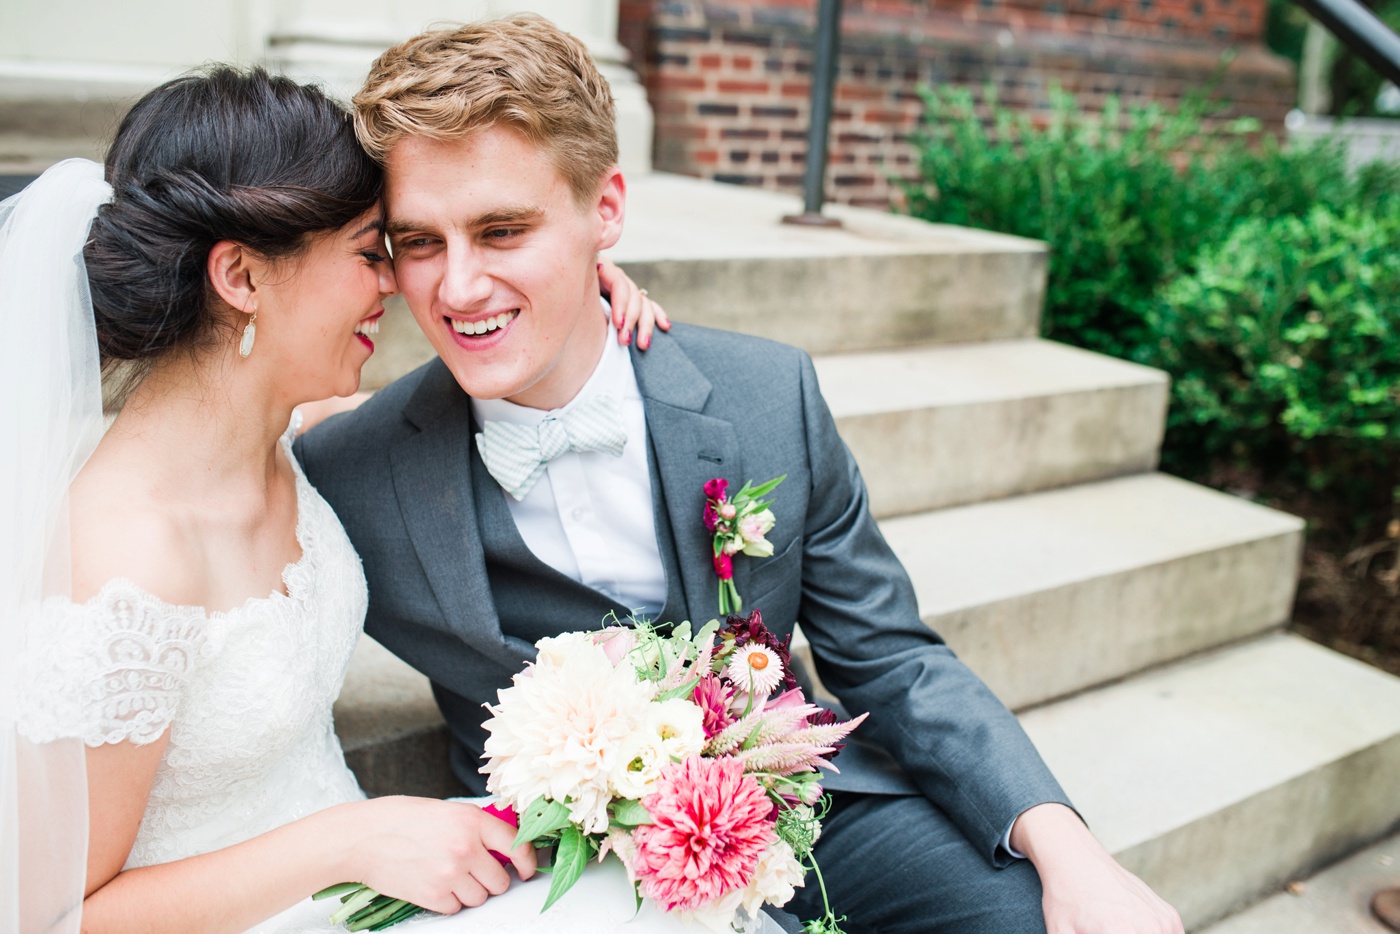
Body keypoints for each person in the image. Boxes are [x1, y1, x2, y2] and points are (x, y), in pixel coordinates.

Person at [297, 14, 1186, 934]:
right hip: (557, 871)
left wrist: (1068, 847)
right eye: (421, 242)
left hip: (804, 814)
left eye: (503, 230)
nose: (459, 287)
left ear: (605, 211)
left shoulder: (766, 397)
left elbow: (889, 655)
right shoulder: (350, 473)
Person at [0, 66, 672, 934]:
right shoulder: (128, 557)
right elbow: (51, 916)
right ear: (241, 277)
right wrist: (343, 843)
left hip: (362, 884)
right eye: (368, 252)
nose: (396, 284)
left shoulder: (273, 429)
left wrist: (576, 294)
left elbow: (475, 385)